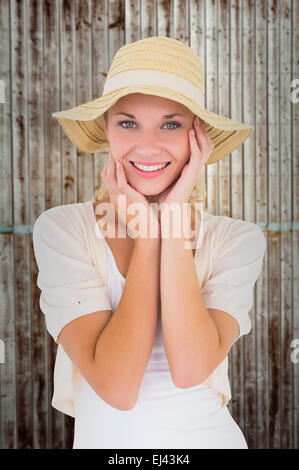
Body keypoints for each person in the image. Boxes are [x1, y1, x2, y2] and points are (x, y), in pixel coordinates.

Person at [32, 36, 266, 449]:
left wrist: (170, 220)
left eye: (171, 124)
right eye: (127, 123)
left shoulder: (236, 240)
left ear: (199, 136)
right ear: (106, 129)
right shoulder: (62, 229)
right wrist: (147, 238)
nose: (147, 146)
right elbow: (117, 387)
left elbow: (190, 369)